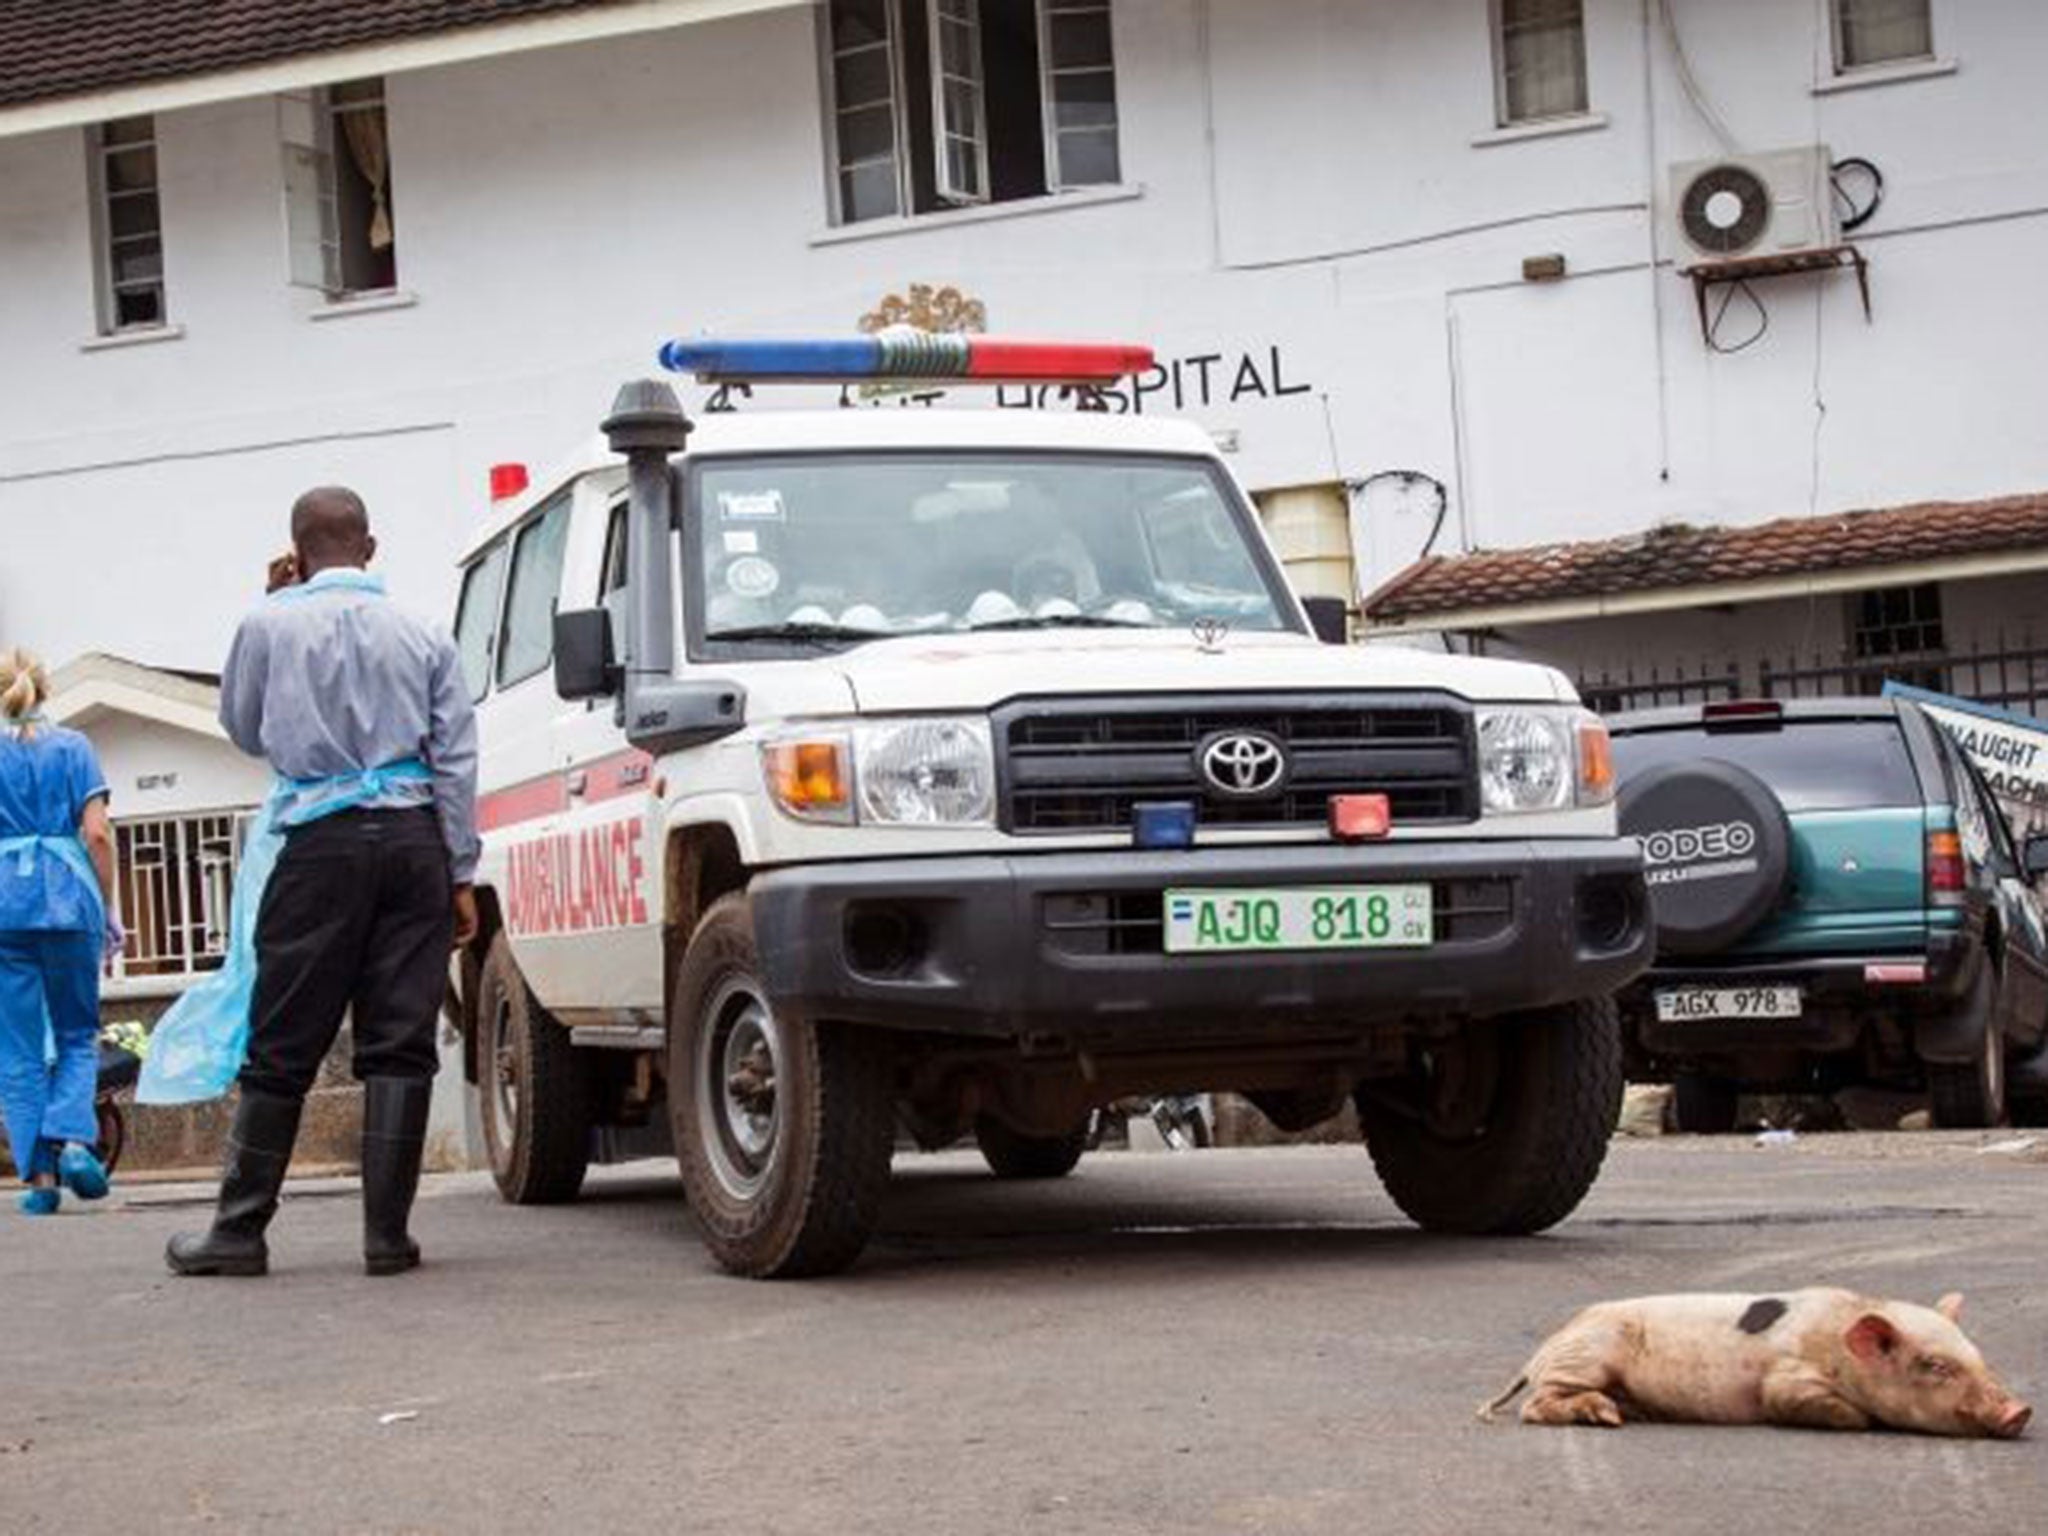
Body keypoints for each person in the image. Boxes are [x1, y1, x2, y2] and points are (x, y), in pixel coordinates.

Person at [167, 487, 479, 1277]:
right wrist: (461, 873)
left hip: (318, 847)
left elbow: (242, 729)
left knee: (282, 1040)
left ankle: (238, 1232)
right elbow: (455, 760)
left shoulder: (265, 624)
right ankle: (386, 1239)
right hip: (413, 845)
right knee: (400, 1042)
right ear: (370, 547)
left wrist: (278, 606)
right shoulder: (425, 631)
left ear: (297, 552)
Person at [0, 648, 120, 1215]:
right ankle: (75, 1140)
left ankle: (41, 1184)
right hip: (69, 900)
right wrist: (110, 908)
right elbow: (97, 835)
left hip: (4, 908)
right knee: (76, 1032)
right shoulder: (74, 747)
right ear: (43, 690)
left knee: (18, 1050)